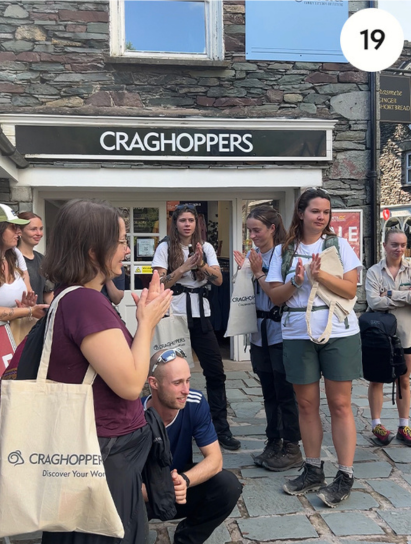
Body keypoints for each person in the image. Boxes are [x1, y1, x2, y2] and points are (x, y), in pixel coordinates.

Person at [39, 199, 172, 544]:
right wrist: (147, 322)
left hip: (97, 447)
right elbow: (130, 383)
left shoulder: (74, 298)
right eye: (122, 241)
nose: (127, 250)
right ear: (94, 250)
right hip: (102, 452)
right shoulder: (85, 301)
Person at [265, 187, 362, 507]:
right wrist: (297, 281)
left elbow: (349, 291)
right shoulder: (284, 251)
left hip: (338, 331)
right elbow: (276, 297)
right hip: (296, 333)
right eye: (315, 211)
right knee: (306, 405)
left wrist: (319, 276)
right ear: (301, 213)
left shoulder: (339, 245)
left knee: (339, 404)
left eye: (326, 212)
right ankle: (313, 468)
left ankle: (345, 474)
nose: (321, 217)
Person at [152, 203, 240, 451]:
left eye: (191, 220)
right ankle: (166, 426)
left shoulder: (207, 247)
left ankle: (220, 428)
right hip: (174, 315)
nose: (187, 224)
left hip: (201, 315)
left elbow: (219, 279)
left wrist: (201, 264)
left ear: (196, 223)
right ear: (175, 223)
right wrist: (184, 267)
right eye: (182, 220)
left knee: (215, 370)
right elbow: (159, 282)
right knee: (168, 373)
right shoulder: (165, 247)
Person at [142, 348, 242, 544]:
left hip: (179, 488)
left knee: (228, 485)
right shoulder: (134, 415)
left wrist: (184, 481)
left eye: (188, 380)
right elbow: (116, 481)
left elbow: (215, 460)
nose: (186, 390)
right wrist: (156, 491)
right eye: (177, 383)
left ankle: (187, 538)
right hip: (142, 496)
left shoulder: (194, 402)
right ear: (154, 383)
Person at [233, 205, 302, 471]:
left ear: (272, 228)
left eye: (257, 230)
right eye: (249, 230)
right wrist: (244, 273)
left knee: (285, 393)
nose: (252, 235)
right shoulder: (255, 255)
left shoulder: (285, 255)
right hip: (259, 331)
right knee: (268, 392)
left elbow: (278, 293)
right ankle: (273, 441)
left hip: (280, 331)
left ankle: (292, 446)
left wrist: (257, 272)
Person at [365, 229, 411, 446]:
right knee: (377, 379)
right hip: (380, 336)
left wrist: (391, 294)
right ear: (384, 245)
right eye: (394, 244)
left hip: (406, 335)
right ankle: (377, 424)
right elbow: (374, 302)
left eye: (402, 244)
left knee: (404, 379)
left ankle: (404, 425)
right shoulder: (374, 272)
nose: (398, 249)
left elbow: (383, 299)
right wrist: (406, 297)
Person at [0, 203, 48, 331]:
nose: (18, 232)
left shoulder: (15, 255)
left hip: (13, 334)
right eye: (12, 227)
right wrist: (28, 311)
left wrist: (27, 305)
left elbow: (28, 292)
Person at [17, 211, 54, 305]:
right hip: (16, 315)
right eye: (33, 229)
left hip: (38, 316)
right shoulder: (10, 259)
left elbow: (48, 293)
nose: (39, 233)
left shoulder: (42, 259)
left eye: (41, 229)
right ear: (19, 231)